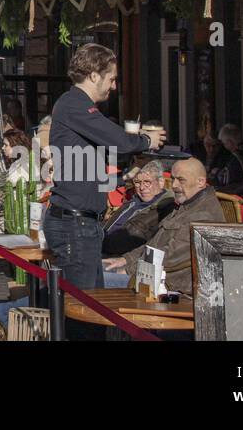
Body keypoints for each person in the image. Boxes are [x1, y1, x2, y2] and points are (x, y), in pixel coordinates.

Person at [43, 44, 161, 290]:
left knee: (89, 303)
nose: (114, 86)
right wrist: (147, 140)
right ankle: (4, 315)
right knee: (83, 306)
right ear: (94, 75)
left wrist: (125, 177)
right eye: (112, 79)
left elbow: (87, 169)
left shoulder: (75, 106)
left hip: (81, 223)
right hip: (74, 224)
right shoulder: (74, 103)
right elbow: (119, 140)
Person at [123, 156, 224, 294]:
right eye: (173, 178)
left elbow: (170, 258)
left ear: (201, 182)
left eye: (181, 180)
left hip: (167, 287)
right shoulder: (188, 205)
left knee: (94, 280)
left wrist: (128, 268)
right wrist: (125, 259)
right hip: (152, 277)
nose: (174, 185)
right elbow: (154, 244)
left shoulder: (203, 215)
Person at [100, 161, 175, 287]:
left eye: (147, 182)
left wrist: (97, 242)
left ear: (161, 182)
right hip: (105, 250)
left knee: (78, 275)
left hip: (125, 260)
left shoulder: (164, 208)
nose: (142, 187)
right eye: (137, 182)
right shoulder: (133, 202)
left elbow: (130, 241)